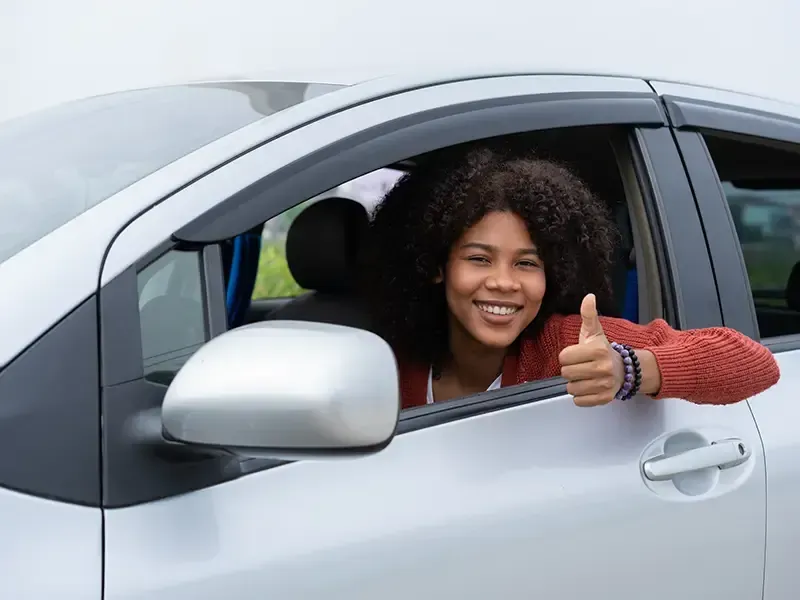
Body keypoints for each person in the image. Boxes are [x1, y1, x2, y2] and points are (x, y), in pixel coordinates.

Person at [366, 144, 780, 409]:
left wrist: (628, 369)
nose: (504, 282)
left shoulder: (565, 343)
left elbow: (754, 362)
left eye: (527, 263)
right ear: (436, 266)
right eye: (479, 259)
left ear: (553, 273)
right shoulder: (391, 360)